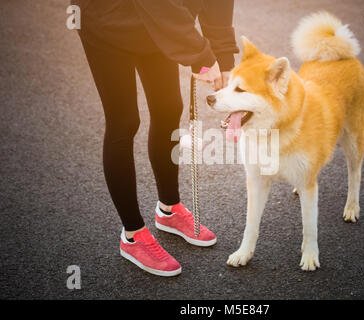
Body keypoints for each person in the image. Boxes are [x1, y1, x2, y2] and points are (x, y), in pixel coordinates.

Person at [72, 0, 239, 276]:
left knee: (168, 108)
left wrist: (223, 57)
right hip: (106, 18)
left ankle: (169, 209)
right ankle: (132, 235)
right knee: (123, 122)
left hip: (156, 27)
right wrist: (200, 55)